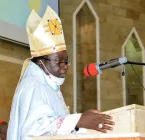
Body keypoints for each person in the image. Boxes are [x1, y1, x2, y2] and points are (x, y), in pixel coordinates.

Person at [7, 6, 115, 140]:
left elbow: (57, 129)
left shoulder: (51, 88)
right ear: (41, 62)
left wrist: (84, 121)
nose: (65, 66)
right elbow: (34, 131)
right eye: (59, 61)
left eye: (66, 61)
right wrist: (78, 120)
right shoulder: (33, 85)